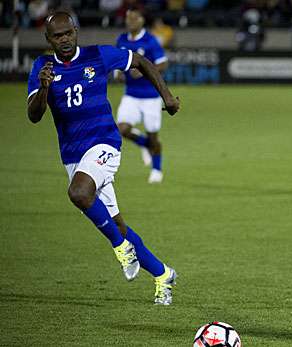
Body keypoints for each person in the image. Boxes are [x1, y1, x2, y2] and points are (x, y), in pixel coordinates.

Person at [26, 12, 179, 305]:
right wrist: (44, 88)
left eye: (69, 33)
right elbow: (34, 116)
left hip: (104, 144)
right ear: (49, 40)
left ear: (76, 32)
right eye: (58, 36)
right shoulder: (41, 67)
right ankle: (163, 274)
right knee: (116, 222)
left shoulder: (99, 55)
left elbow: (142, 62)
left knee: (78, 193)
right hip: (73, 155)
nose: (65, 39)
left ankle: (121, 248)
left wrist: (168, 97)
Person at [115, 9, 168, 183]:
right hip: (130, 95)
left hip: (151, 97)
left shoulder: (150, 41)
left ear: (142, 20)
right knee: (121, 129)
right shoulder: (121, 40)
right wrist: (118, 73)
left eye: (134, 18)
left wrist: (146, 70)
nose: (130, 21)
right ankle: (144, 144)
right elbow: (117, 63)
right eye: (128, 18)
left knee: (153, 136)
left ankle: (157, 169)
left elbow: (163, 63)